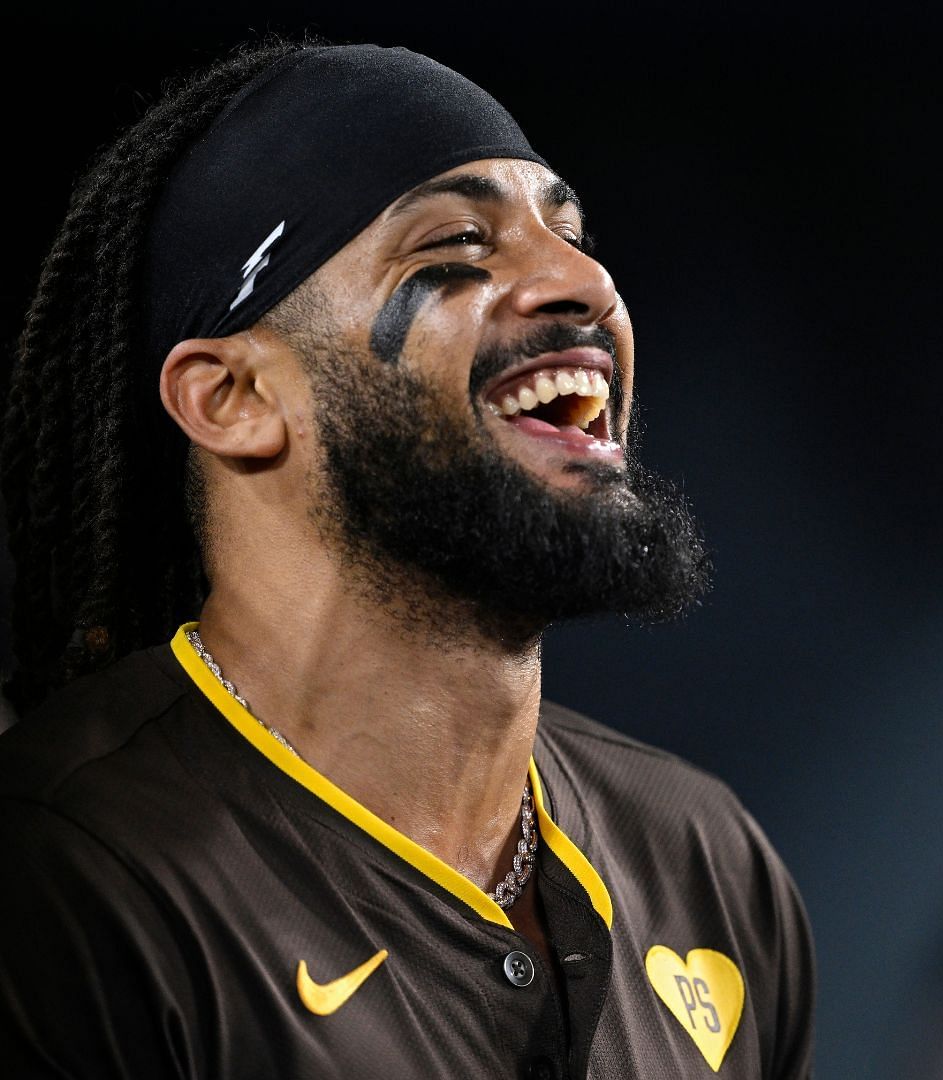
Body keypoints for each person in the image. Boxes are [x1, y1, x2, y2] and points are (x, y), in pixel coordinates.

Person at [0, 39, 812, 1078]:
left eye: (573, 235)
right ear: (235, 398)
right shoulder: (69, 876)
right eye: (460, 246)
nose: (585, 283)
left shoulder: (704, 856)